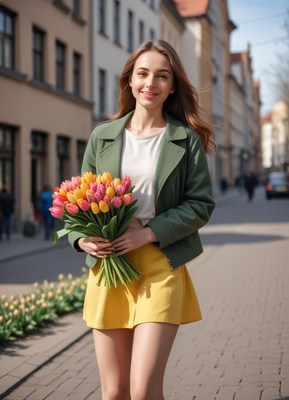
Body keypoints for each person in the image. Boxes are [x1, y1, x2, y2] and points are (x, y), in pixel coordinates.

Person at [68, 40, 215, 399]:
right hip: (109, 269)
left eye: (162, 76)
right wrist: (81, 238)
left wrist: (148, 234)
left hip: (161, 266)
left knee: (143, 389)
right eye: (143, 74)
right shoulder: (102, 137)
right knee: (114, 392)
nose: (151, 83)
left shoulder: (186, 139)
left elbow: (200, 204)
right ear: (130, 81)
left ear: (173, 85)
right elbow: (78, 203)